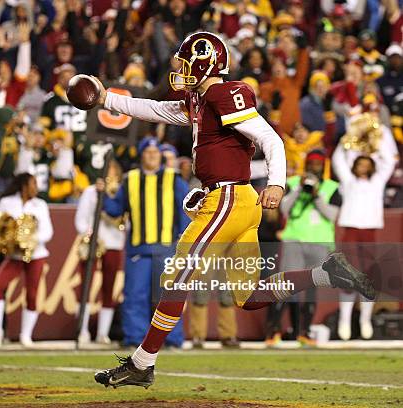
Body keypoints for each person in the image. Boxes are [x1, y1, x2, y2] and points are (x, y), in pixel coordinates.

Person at [91, 31, 375, 388]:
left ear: (204, 61)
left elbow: (270, 137)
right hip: (231, 202)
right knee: (249, 296)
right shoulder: (202, 99)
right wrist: (106, 98)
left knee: (178, 274)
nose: (179, 68)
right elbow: (155, 109)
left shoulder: (225, 93)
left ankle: (142, 363)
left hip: (228, 201)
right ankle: (326, 273)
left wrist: (276, 182)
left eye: (185, 60)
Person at [100, 138, 190, 348]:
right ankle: (134, 338)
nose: (151, 155)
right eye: (147, 152)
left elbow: (185, 209)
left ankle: (171, 339)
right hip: (138, 249)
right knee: (134, 295)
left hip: (168, 248)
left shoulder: (173, 178)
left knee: (168, 297)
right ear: (141, 155)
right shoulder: (130, 179)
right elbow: (115, 209)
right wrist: (103, 193)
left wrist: (184, 240)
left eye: (155, 152)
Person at [332, 124, 396, 341]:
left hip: (370, 231)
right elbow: (338, 160)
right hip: (350, 230)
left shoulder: (378, 182)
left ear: (371, 167)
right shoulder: (348, 182)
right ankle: (344, 320)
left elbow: (388, 160)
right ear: (354, 166)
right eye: (359, 164)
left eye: (366, 164)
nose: (362, 167)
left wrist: (379, 131)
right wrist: (348, 138)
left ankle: (365, 319)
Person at [278, 150, 342, 347]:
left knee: (313, 289)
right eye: (312, 163)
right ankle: (290, 330)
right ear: (306, 164)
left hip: (319, 242)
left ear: (323, 165)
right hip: (294, 240)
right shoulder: (293, 182)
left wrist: (316, 197)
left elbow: (332, 215)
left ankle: (305, 332)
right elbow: (284, 209)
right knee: (291, 287)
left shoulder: (332, 187)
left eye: (318, 164)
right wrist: (298, 189)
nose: (315, 167)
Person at [0, 173, 53, 348]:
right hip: (14, 256)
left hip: (36, 255)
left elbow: (48, 232)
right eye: (33, 183)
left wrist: (28, 241)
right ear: (24, 186)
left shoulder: (40, 205)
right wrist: (12, 241)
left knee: (32, 294)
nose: (36, 187)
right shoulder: (7, 202)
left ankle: (26, 335)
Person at [75, 160, 126, 345]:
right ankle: (82, 330)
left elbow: (125, 221)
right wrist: (90, 235)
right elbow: (80, 219)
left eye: (113, 171)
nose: (109, 174)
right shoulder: (90, 192)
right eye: (107, 171)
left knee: (108, 288)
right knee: (86, 286)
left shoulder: (121, 192)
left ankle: (103, 333)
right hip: (93, 243)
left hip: (113, 243)